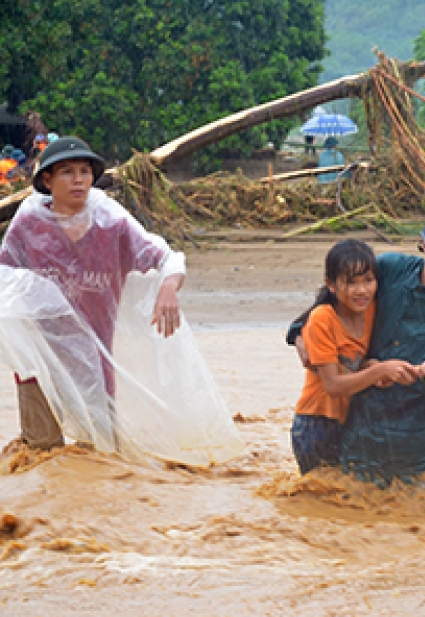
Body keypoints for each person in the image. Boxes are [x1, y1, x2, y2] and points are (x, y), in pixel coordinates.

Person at [0, 136, 243, 464]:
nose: (78, 180)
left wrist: (169, 289)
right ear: (47, 180)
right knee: (42, 456)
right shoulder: (29, 224)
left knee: (98, 456)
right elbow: (4, 276)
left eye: (85, 172)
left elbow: (164, 257)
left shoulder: (110, 223)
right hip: (41, 361)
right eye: (67, 172)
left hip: (95, 360)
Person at [289, 203, 425, 490]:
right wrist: (299, 331)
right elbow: (341, 298)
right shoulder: (391, 270)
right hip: (364, 439)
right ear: (424, 246)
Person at [291, 239, 418, 475]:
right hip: (315, 423)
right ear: (331, 285)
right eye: (350, 283)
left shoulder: (369, 310)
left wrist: (370, 366)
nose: (361, 290)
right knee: (320, 497)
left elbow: (354, 365)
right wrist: (378, 371)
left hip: (349, 421)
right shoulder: (322, 319)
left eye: (368, 281)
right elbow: (333, 385)